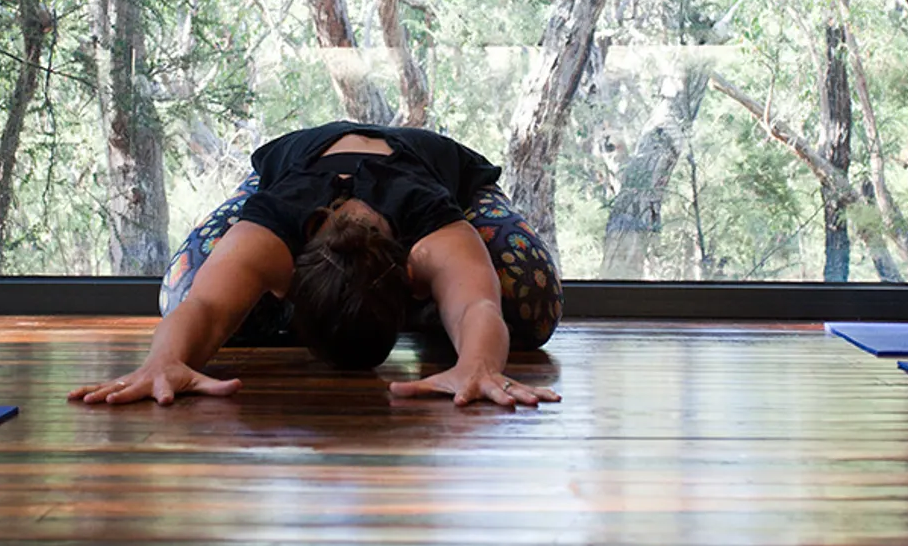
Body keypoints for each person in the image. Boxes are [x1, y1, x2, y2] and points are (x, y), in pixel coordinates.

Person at [68, 122, 562, 408]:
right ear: (289, 276)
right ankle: (431, 301)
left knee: (529, 301)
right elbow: (204, 305)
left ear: (412, 274)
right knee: (180, 291)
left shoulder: (428, 217)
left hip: (437, 162)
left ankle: (436, 298)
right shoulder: (276, 225)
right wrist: (164, 362)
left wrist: (477, 366)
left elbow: (478, 303)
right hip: (296, 158)